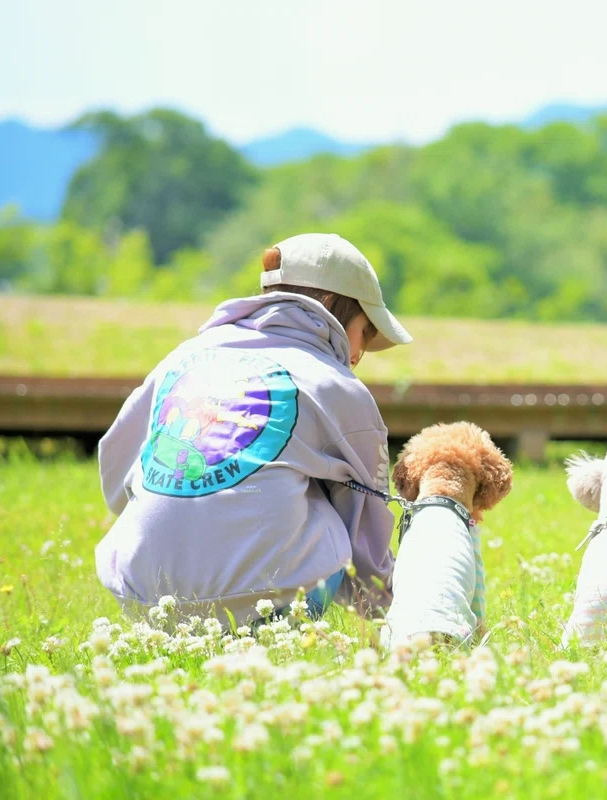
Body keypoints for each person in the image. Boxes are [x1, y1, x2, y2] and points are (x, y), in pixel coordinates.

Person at [96, 233, 413, 628]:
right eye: (365, 333)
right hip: (266, 606)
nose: (358, 354)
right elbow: (366, 525)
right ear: (337, 308)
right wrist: (389, 608)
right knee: (332, 497)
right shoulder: (336, 385)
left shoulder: (184, 357)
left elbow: (116, 468)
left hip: (143, 601)